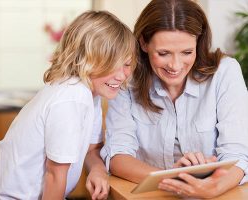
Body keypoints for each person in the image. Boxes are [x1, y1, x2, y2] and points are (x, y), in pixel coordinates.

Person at [0, 10, 138, 200]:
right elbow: (54, 175)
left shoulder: (89, 92)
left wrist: (98, 169)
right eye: (111, 65)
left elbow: (91, 148)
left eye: (127, 64)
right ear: (85, 59)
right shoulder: (72, 98)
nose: (121, 75)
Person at [101, 0, 248, 198]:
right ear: (144, 43)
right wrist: (178, 179)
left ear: (198, 41)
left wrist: (213, 186)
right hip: (152, 195)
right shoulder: (127, 78)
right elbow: (118, 156)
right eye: (163, 53)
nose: (175, 65)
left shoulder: (225, 72)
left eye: (187, 52)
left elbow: (238, 155)